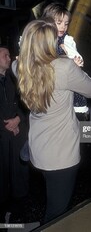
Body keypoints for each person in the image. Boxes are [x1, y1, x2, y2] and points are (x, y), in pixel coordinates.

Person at [15, 18, 91, 224]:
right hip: (62, 154)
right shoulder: (63, 67)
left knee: (54, 201)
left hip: (39, 151)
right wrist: (74, 62)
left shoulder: (19, 67)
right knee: (56, 214)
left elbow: (16, 64)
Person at [42, 2, 88, 121]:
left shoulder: (68, 41)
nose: (63, 27)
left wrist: (76, 63)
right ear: (48, 22)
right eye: (59, 23)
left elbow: (76, 60)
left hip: (68, 90)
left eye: (66, 24)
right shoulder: (42, 41)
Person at [0, 45, 29, 223]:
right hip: (2, 136)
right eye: (5, 55)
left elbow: (25, 102)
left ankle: (19, 212)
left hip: (17, 134)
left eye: (9, 55)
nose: (9, 58)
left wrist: (18, 119)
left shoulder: (16, 79)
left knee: (19, 174)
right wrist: (7, 125)